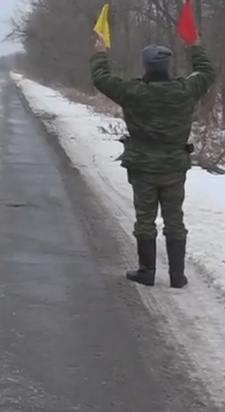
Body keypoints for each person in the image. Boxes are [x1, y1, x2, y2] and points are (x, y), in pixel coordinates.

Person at [90, 33, 216, 288]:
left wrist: (100, 53)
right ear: (168, 66)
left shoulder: (133, 92)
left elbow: (101, 79)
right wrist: (195, 47)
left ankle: (146, 271)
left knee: (145, 220)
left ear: (146, 66)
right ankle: (177, 275)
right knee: (174, 220)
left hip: (143, 167)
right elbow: (206, 72)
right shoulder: (185, 91)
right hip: (174, 167)